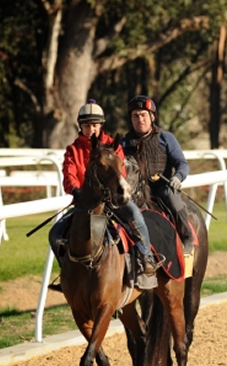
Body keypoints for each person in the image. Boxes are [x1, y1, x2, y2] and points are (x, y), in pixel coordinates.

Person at [48, 99, 160, 278]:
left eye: (94, 125)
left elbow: (121, 172)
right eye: (87, 125)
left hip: (112, 201)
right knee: (54, 234)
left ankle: (146, 257)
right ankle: (68, 273)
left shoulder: (113, 145)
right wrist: (76, 190)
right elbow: (69, 174)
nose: (91, 129)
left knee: (135, 215)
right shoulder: (73, 150)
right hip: (85, 203)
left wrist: (110, 193)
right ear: (80, 126)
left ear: (101, 125)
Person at [121, 95, 194, 256]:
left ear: (152, 117)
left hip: (162, 189)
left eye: (143, 115)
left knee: (172, 198)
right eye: (135, 116)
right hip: (134, 192)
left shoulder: (166, 138)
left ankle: (187, 238)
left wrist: (177, 177)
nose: (140, 119)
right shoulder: (123, 144)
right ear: (131, 119)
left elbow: (182, 164)